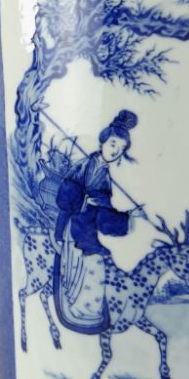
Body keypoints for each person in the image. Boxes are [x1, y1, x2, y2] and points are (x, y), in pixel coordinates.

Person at [53, 110, 146, 333]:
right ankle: (79, 311)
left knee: (100, 262)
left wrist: (128, 216)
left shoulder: (105, 176)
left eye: (121, 148)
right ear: (103, 141)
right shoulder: (83, 166)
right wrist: (84, 199)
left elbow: (104, 216)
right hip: (74, 226)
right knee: (92, 263)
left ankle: (92, 312)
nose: (115, 151)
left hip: (89, 229)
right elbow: (65, 195)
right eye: (113, 144)